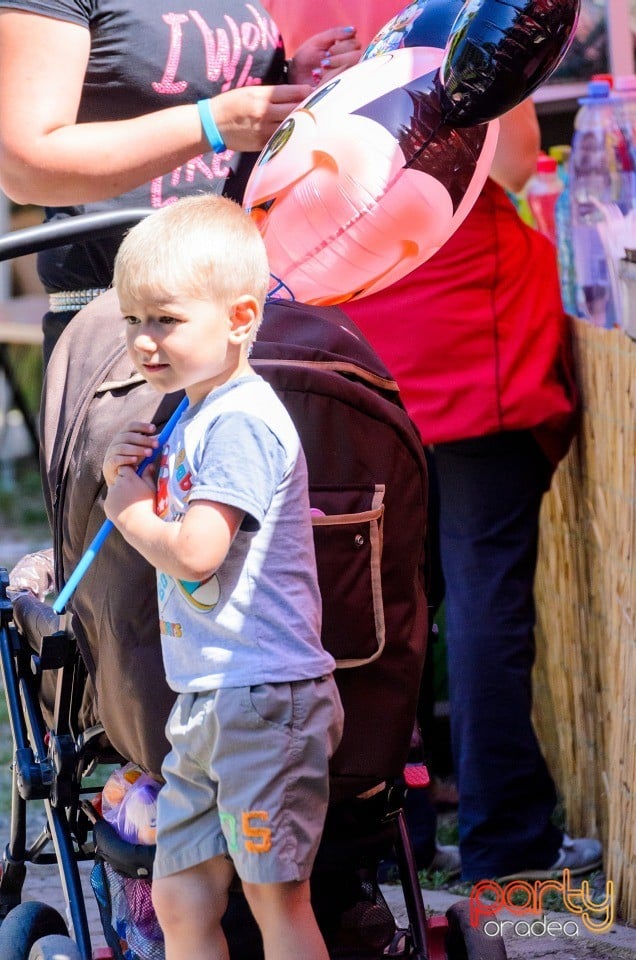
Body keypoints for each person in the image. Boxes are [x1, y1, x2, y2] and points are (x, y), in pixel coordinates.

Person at [265, 0, 604, 884]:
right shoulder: (460, 7)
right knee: (486, 601)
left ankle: (388, 841)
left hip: (341, 347)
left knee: (376, 607)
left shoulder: (278, 9)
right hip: (466, 334)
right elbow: (520, 161)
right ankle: (508, 851)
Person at [101, 193, 344, 960]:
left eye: (165, 319)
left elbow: (200, 551)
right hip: (211, 700)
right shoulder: (194, 413)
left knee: (277, 896)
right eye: (132, 319)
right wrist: (125, 471)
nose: (144, 341)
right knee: (178, 894)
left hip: (264, 701)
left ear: (240, 319)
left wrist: (131, 510)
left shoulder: (240, 419)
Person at [0, 0, 360, 362]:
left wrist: (286, 84)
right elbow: (25, 168)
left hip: (248, 313)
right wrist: (210, 124)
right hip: (132, 327)